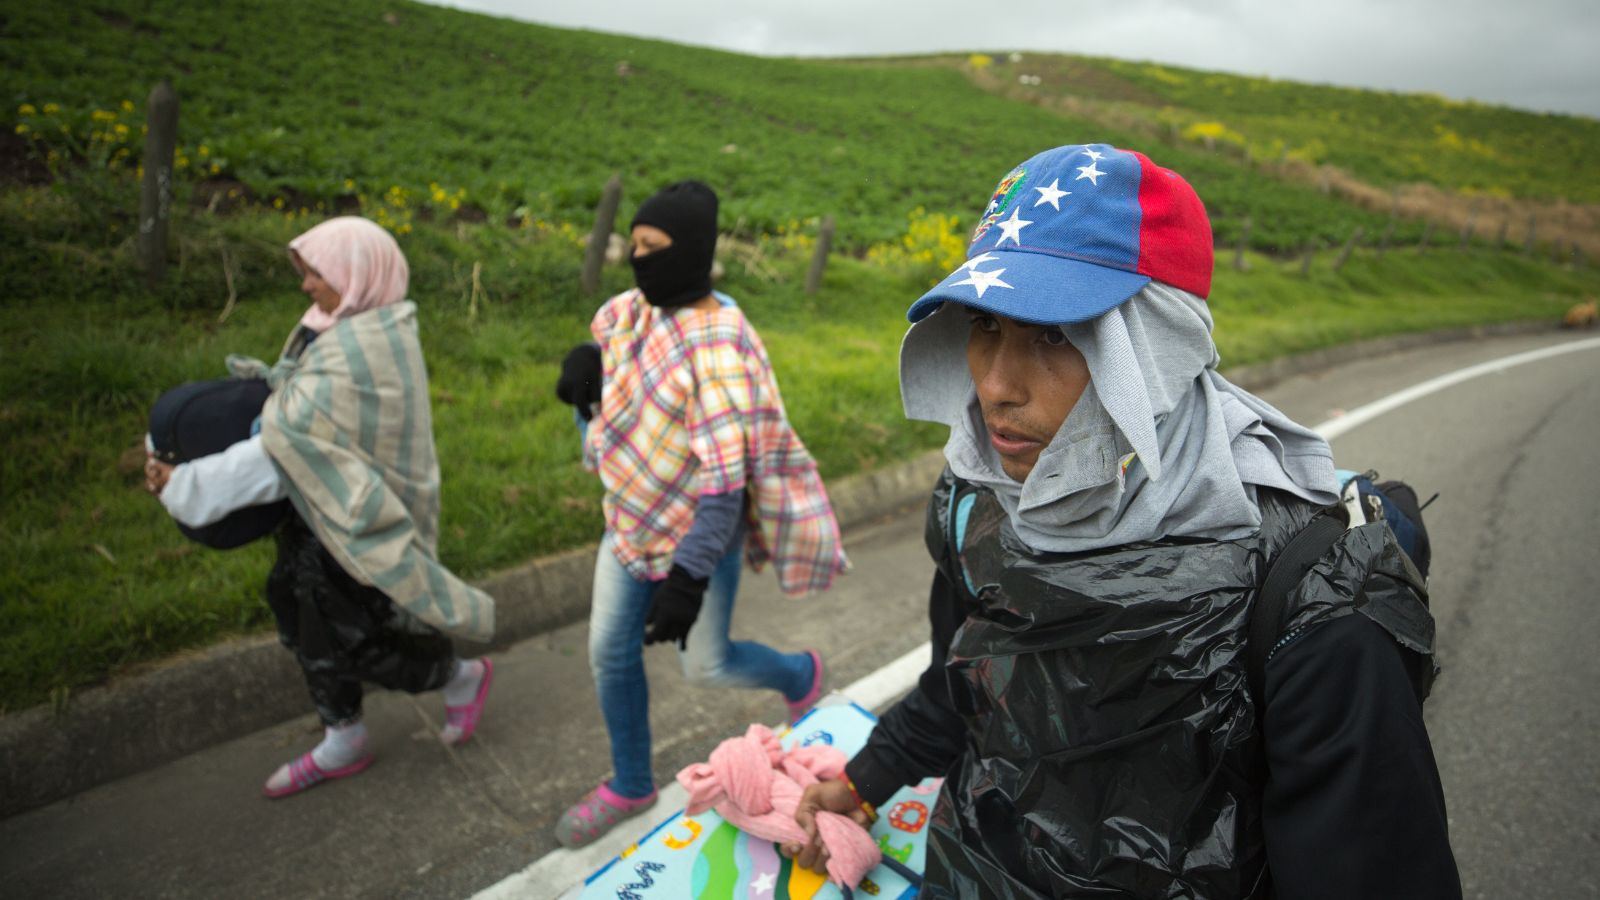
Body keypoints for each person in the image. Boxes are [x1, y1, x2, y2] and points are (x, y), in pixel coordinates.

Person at [785, 144, 1462, 897]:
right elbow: (967, 679)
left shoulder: (1312, 599)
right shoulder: (976, 500)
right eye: (983, 325)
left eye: (1054, 336)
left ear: (1156, 351)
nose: (995, 386)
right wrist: (867, 777)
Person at [144, 216, 496, 798]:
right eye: (304, 271)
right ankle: (345, 735)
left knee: (350, 633)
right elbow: (292, 410)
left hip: (354, 514)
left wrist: (185, 484)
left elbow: (283, 448)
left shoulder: (366, 349)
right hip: (318, 506)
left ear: (357, 275)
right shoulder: (341, 322)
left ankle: (457, 678)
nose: (306, 285)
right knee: (297, 609)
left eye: (316, 272)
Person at [552, 180, 849, 848]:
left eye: (653, 248)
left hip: (697, 539)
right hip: (629, 523)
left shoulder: (720, 346)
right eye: (632, 245)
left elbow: (725, 482)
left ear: (689, 253)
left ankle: (800, 674)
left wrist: (687, 578)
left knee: (705, 665)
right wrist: (587, 364)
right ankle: (631, 782)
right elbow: (623, 358)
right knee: (609, 653)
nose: (637, 259)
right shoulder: (639, 309)